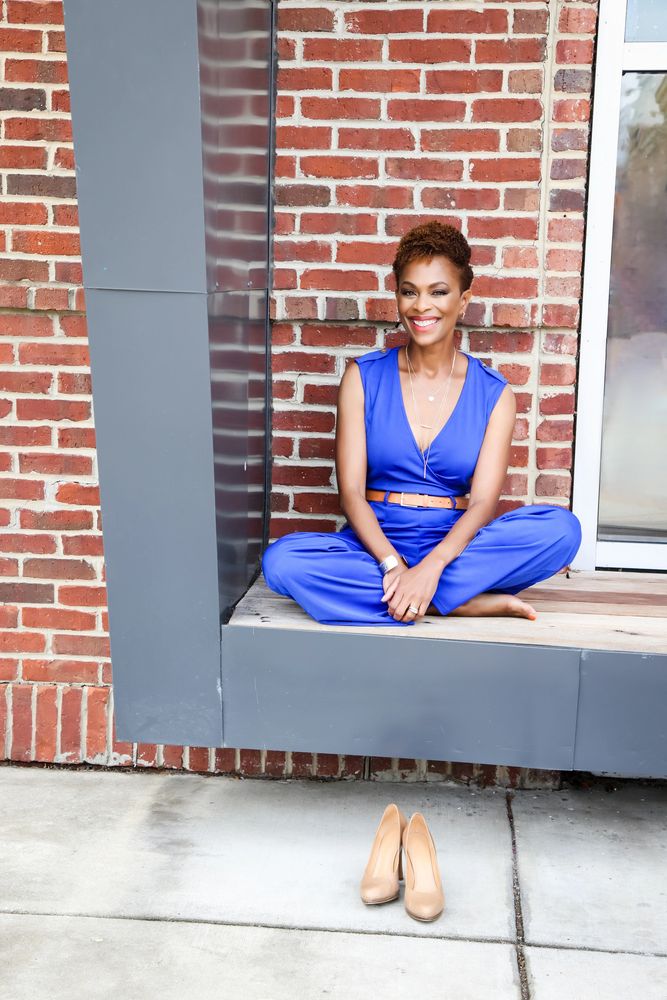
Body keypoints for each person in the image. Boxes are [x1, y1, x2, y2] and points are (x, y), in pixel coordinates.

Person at [262, 220, 582, 627]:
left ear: (463, 300)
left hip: (452, 546)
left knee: (561, 530)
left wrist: (431, 568)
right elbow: (352, 494)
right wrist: (392, 564)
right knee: (282, 562)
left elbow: (483, 504)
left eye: (438, 292)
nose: (421, 306)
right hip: (374, 545)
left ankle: (427, 593)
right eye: (409, 291)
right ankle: (459, 601)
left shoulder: (493, 393)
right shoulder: (363, 378)